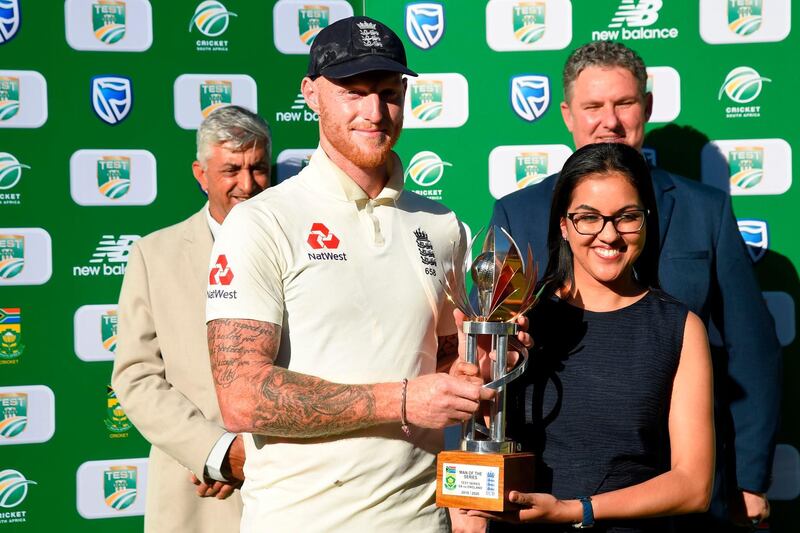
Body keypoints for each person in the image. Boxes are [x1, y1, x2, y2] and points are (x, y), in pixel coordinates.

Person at [204, 16, 522, 533]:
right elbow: (241, 397)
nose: (375, 112)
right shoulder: (263, 221)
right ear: (310, 94)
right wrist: (401, 399)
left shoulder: (441, 225)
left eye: (389, 93)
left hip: (422, 520)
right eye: (353, 92)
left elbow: (442, 358)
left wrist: (475, 365)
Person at [490, 41, 780, 530]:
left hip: (687, 479)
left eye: (624, 103)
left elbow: (751, 348)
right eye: (593, 106)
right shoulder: (517, 213)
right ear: (566, 114)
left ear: (645, 107)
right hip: (554, 475)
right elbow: (490, 360)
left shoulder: (704, 208)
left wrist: (750, 478)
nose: (610, 120)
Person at [470, 142, 714, 532]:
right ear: (563, 225)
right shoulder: (519, 322)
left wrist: (576, 510)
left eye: (627, 217)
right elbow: (482, 438)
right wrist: (485, 379)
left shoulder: (679, 327)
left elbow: (693, 486)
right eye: (588, 217)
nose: (609, 234)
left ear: (646, 220)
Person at [112, 105, 271, 532]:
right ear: (200, 174)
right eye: (231, 169)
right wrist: (215, 453)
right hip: (197, 494)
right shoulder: (154, 256)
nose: (247, 184)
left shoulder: (310, 249)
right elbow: (136, 377)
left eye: (258, 168)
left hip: (290, 486)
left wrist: (253, 456)